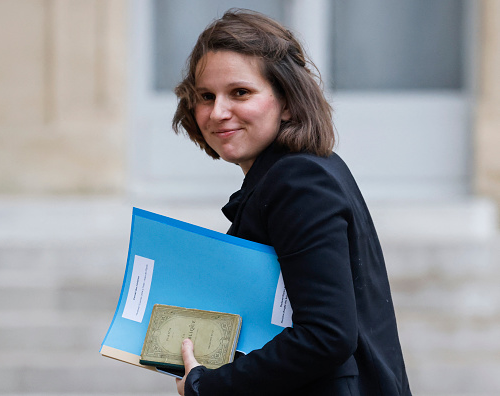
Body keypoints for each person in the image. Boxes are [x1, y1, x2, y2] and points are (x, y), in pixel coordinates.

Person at [171, 9, 411, 396]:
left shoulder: (300, 180)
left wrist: (210, 387)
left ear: (286, 101)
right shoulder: (299, 170)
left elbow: (326, 336)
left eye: (240, 92)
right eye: (205, 96)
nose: (217, 112)